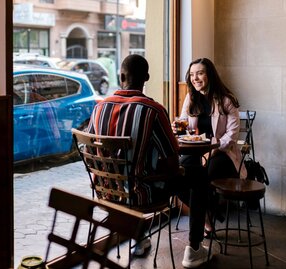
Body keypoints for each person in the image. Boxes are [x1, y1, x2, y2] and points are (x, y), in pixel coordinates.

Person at [87, 54, 211, 268]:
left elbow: (91, 152)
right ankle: (194, 249)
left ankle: (140, 238)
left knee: (137, 177)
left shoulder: (99, 108)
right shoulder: (153, 110)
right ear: (147, 77)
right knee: (198, 175)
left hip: (107, 192)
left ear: (121, 75)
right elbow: (172, 163)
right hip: (142, 194)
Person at [177, 57, 247, 235]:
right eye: (192, 75)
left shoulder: (227, 101)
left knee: (206, 173)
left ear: (210, 75)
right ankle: (208, 215)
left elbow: (231, 137)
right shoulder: (190, 98)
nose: (195, 78)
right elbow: (184, 124)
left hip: (224, 155)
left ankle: (203, 222)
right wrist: (178, 128)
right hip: (197, 152)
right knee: (178, 174)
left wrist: (211, 151)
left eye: (200, 73)